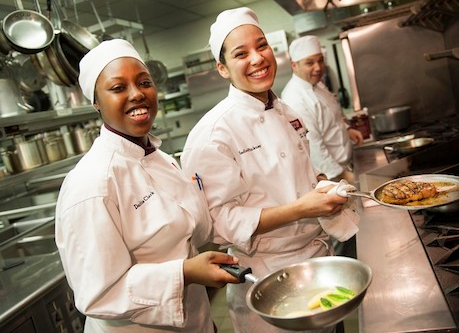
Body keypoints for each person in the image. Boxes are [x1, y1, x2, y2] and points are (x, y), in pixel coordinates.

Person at [181, 7, 352, 333]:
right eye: (241, 53)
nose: (257, 58)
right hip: (268, 276)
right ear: (223, 68)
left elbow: (299, 173)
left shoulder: (286, 111)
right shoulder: (213, 133)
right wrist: (301, 208)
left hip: (317, 260)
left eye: (262, 46)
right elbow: (219, 224)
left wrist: (320, 184)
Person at [54, 39, 241, 333]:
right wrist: (185, 273)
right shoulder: (92, 184)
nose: (137, 94)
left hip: (196, 321)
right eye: (118, 88)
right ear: (95, 102)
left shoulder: (161, 159)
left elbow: (191, 234)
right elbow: (99, 295)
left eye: (144, 82)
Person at [281, 36, 364, 183]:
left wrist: (347, 129)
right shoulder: (294, 99)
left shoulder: (318, 85)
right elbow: (313, 146)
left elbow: (331, 116)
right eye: (310, 63)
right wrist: (342, 176)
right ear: (294, 65)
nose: (318, 67)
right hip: (333, 177)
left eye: (320, 60)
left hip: (346, 164)